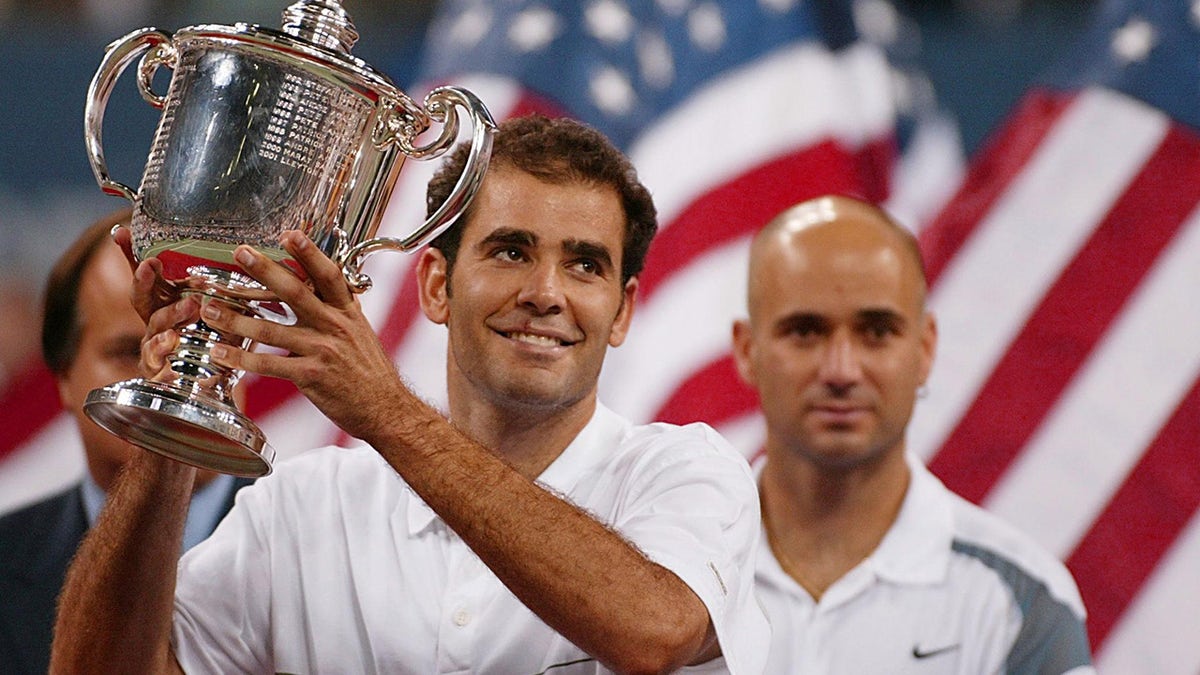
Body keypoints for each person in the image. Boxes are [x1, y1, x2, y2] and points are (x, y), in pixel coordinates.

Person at [52, 115, 768, 674]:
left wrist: (387, 412)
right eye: (511, 250)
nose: (546, 294)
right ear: (434, 285)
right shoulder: (303, 508)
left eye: (585, 265)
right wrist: (180, 413)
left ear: (622, 311)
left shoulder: (688, 471)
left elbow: (651, 633)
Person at [732, 195, 1093, 674]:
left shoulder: (1022, 601)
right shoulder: (670, 567)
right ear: (746, 349)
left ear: (925, 349)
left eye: (877, 332)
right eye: (805, 332)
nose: (841, 370)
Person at [0, 209, 253, 675]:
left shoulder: (323, 554)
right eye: (128, 353)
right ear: (62, 377)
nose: (167, 379)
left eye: (197, 347)